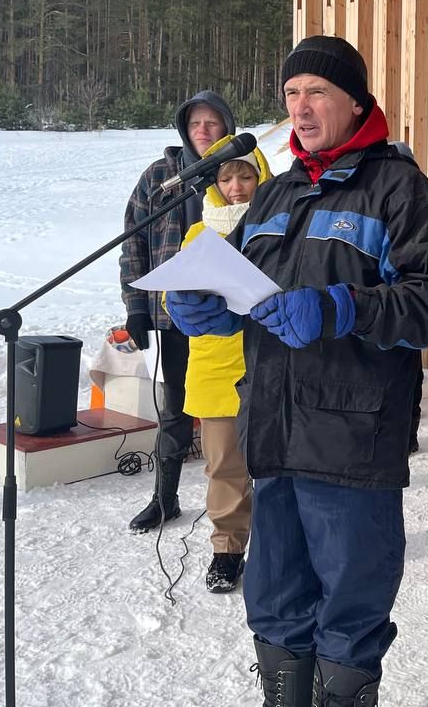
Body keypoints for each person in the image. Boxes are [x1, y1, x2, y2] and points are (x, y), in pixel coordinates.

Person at [166, 35, 428, 707]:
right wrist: (206, 308)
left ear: (356, 102)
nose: (300, 106)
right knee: (273, 600)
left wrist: (341, 306)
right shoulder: (273, 197)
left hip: (353, 442)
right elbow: (244, 292)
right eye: (292, 94)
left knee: (350, 615)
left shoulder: (398, 189)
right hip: (271, 433)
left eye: (317, 92)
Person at [119, 89, 235, 533]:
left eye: (212, 123)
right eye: (195, 124)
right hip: (173, 315)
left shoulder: (239, 172)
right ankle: (165, 499)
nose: (203, 131)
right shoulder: (160, 176)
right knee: (176, 408)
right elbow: (134, 242)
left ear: (228, 126)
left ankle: (243, 505)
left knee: (236, 410)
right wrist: (136, 308)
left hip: (231, 316)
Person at [164, 137, 270, 592]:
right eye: (225, 177)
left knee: (276, 465)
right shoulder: (197, 235)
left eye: (245, 175)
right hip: (216, 367)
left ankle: (278, 547)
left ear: (261, 176)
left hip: (270, 363)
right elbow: (174, 294)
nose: (236, 186)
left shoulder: (279, 227)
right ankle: (227, 549)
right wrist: (179, 306)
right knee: (224, 466)